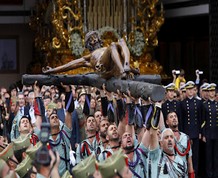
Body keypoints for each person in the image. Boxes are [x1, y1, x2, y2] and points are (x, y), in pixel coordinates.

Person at [42, 31, 139, 79]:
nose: (94, 40)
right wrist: (53, 70)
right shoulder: (88, 57)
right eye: (91, 39)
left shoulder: (106, 48)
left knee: (121, 41)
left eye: (95, 38)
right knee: (113, 45)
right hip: (104, 67)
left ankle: (126, 66)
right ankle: (123, 71)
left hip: (117, 65)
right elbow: (71, 65)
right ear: (88, 44)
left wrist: (134, 70)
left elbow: (120, 57)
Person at [180, 81, 202, 175]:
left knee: (195, 155)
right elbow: (181, 119)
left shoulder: (198, 102)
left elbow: (200, 118)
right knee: (186, 153)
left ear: (194, 90)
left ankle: (195, 172)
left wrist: (200, 132)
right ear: (186, 91)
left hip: (196, 131)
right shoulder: (183, 103)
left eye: (191, 89)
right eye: (188, 89)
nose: (190, 91)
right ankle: (186, 172)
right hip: (186, 131)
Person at [166, 111, 195, 177]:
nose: (174, 118)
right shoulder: (165, 138)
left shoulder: (185, 137)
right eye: (171, 117)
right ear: (167, 122)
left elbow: (189, 161)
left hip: (183, 174)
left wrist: (192, 175)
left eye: (175, 116)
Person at [202, 83, 218, 178]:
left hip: (216, 132)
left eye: (213, 91)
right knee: (208, 156)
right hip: (208, 132)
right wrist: (203, 134)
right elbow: (203, 121)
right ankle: (209, 174)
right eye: (210, 91)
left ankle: (215, 174)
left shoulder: (217, 105)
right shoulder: (204, 105)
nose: (212, 93)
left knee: (216, 156)